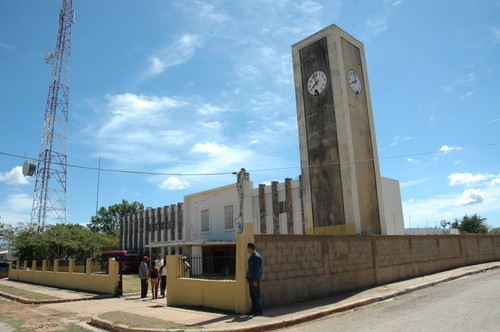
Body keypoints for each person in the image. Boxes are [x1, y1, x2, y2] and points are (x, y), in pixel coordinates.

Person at [246, 242, 263, 315]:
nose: (247, 250)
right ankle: (253, 310)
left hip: (255, 280)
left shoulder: (257, 257)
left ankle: (258, 311)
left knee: (256, 295)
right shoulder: (251, 257)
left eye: (248, 248)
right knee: (252, 296)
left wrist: (256, 280)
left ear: (251, 248)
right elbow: (249, 268)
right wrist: (247, 277)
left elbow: (258, 270)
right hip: (251, 279)